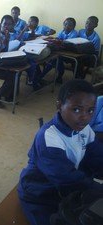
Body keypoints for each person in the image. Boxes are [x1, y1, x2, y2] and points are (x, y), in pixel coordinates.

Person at [18, 79, 103, 225]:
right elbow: (67, 179)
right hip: (39, 194)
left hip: (66, 191)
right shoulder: (49, 138)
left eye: (90, 110)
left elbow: (98, 157)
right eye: (76, 109)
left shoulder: (85, 129)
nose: (85, 117)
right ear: (59, 105)